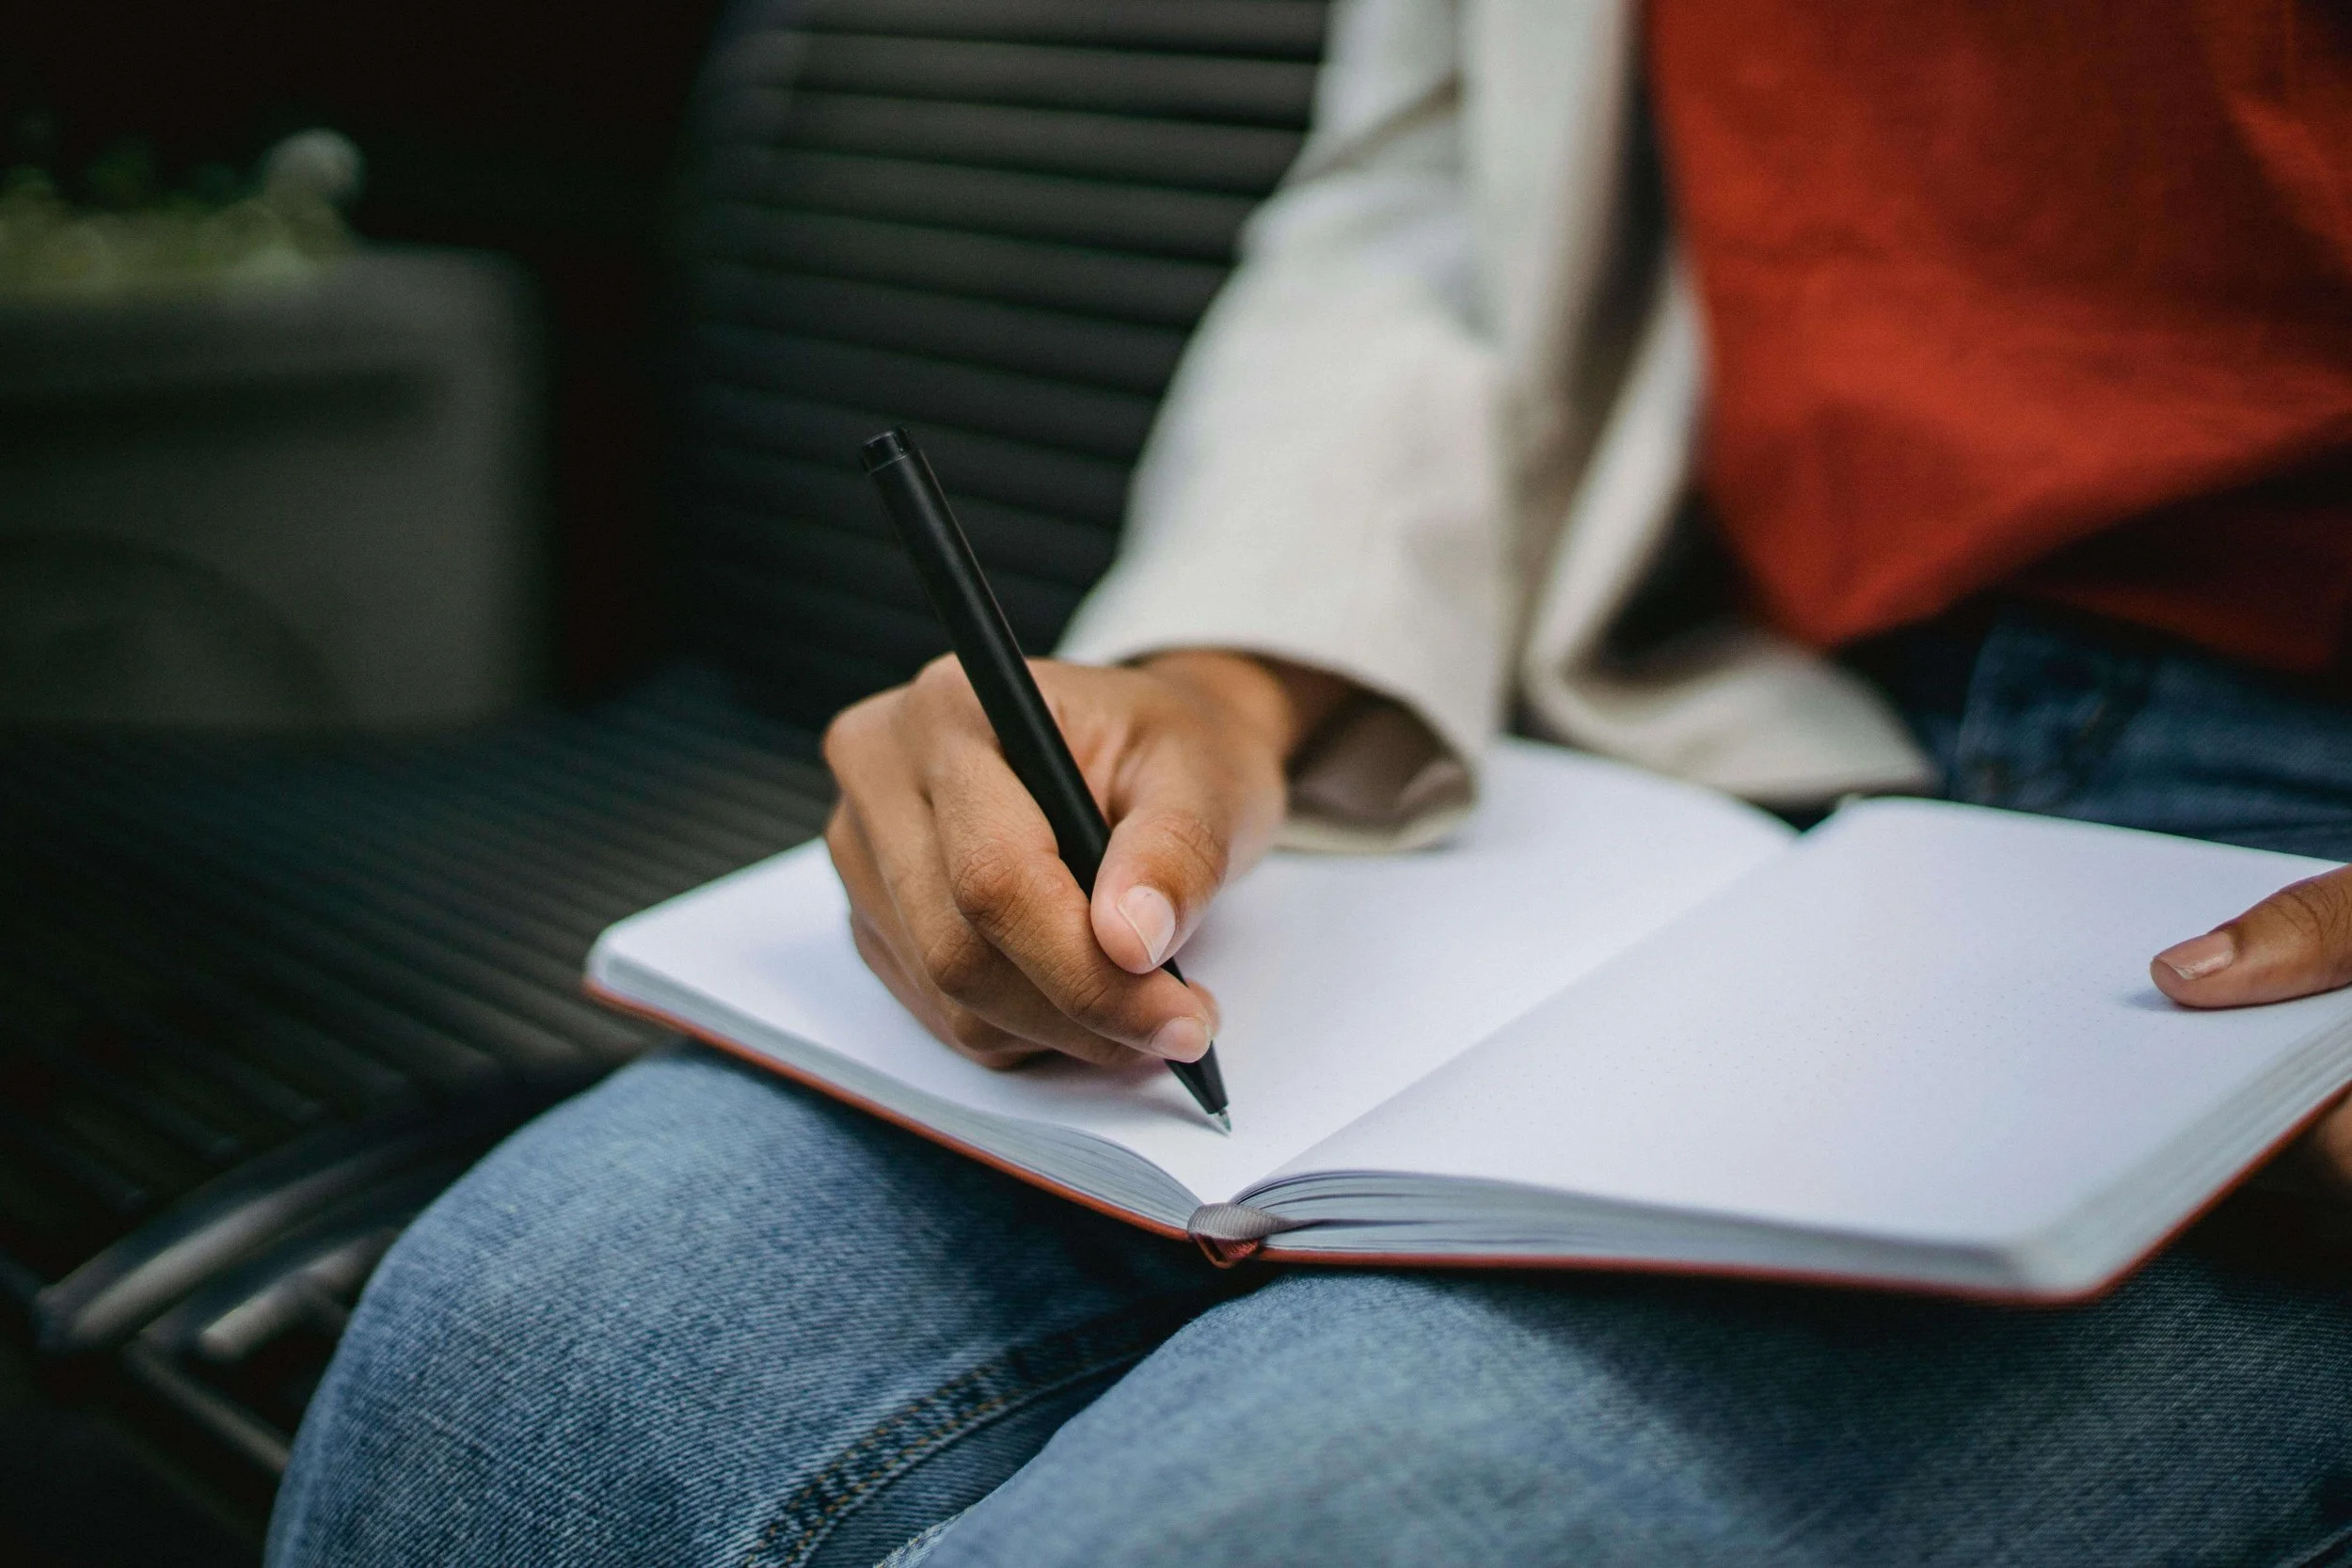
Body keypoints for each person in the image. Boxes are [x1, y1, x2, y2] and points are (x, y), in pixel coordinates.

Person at [269, 2, 2352, 1563]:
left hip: (2296, 830)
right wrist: (1237, 672)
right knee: (528, 1333)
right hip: (1706, 689)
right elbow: (1441, 189)